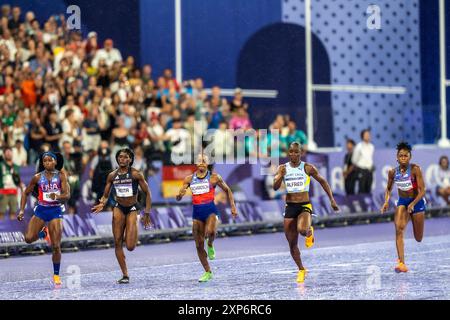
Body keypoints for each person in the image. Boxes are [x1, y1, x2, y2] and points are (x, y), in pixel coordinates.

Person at [273, 142, 339, 283]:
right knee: (292, 244)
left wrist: (332, 200)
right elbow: (275, 187)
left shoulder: (308, 168)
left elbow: (323, 182)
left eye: (296, 152)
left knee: (302, 230)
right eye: (291, 152)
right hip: (290, 207)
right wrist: (280, 177)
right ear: (288, 153)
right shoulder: (282, 168)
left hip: (304, 205)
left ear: (301, 153)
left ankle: (309, 231)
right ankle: (301, 269)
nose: (294, 154)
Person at [91, 148, 152, 284]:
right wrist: (102, 202)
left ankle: (132, 230)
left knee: (130, 246)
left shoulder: (136, 174)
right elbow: (105, 195)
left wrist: (147, 212)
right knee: (117, 241)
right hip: (119, 208)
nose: (122, 159)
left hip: (131, 208)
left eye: (125, 157)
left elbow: (148, 193)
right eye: (120, 157)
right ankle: (125, 274)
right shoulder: (112, 176)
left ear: (130, 159)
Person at [175, 153, 237, 282]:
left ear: (208, 163)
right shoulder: (189, 179)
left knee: (211, 232)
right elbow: (179, 196)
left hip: (210, 210)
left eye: (204, 160)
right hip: (197, 213)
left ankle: (210, 244)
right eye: (199, 160)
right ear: (196, 163)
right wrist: (179, 196)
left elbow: (228, 190)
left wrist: (233, 207)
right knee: (198, 244)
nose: (201, 162)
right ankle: (208, 272)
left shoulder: (214, 178)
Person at [17, 151, 70, 286]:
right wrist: (22, 210)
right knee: (28, 239)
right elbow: (25, 193)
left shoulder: (61, 175)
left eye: (50, 160)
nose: (47, 163)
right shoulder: (37, 177)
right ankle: (44, 232)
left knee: (56, 246)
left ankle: (56, 275)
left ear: (55, 162)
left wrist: (57, 197)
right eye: (45, 161)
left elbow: (67, 195)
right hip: (41, 210)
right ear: (42, 163)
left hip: (55, 211)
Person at [381, 142, 426, 273]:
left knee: (418, 238)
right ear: (397, 157)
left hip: (417, 202)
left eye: (406, 156)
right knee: (398, 230)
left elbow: (423, 190)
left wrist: (413, 204)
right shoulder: (392, 172)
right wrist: (386, 202)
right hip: (403, 202)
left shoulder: (415, 169)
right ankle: (401, 263)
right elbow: (388, 189)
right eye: (401, 156)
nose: (403, 158)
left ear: (410, 157)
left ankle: (413, 218)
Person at [0, 147, 22, 220]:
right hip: (3, 192)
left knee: (13, 212)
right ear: (4, 154)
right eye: (7, 153)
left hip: (13, 191)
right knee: (1, 212)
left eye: (10, 152)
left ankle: (12, 230)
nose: (9, 154)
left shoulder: (16, 166)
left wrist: (21, 187)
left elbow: (18, 179)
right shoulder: (1, 165)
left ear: (12, 154)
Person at [352, 129, 375, 194]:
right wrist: (359, 167)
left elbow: (369, 158)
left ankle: (368, 204)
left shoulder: (371, 146)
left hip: (369, 171)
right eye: (366, 135)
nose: (368, 136)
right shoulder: (359, 146)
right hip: (361, 170)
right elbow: (354, 160)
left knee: (368, 189)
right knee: (361, 189)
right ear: (362, 136)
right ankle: (361, 203)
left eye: (368, 135)